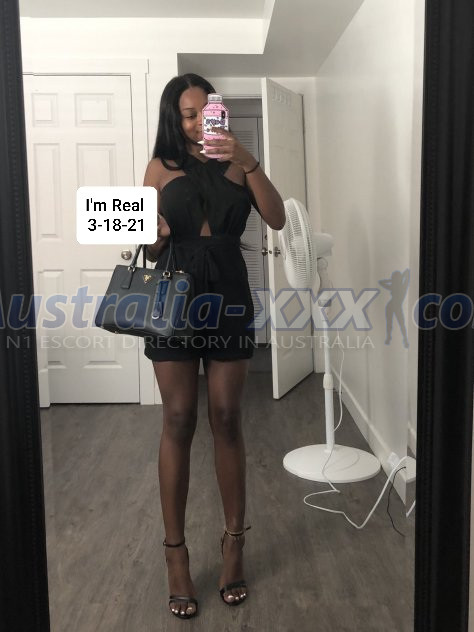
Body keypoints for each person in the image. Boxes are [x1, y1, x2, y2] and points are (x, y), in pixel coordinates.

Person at [143, 73, 285, 619]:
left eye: (206, 110)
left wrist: (249, 161)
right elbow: (148, 248)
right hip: (174, 296)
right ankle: (175, 555)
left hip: (227, 293)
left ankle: (234, 544)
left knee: (226, 417)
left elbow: (276, 218)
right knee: (178, 417)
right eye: (187, 113)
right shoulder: (160, 168)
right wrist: (155, 234)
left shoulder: (236, 163)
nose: (199, 121)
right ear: (173, 119)